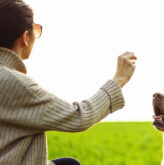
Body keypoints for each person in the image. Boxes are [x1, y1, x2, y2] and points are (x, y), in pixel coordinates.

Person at [0, 0, 137, 165]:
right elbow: (79, 117)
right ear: (25, 37)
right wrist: (119, 80)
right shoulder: (16, 84)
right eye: (35, 29)